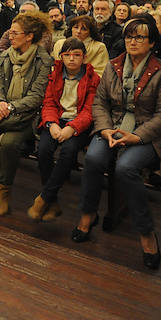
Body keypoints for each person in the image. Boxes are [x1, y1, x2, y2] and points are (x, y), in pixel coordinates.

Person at [72, 15, 161, 271]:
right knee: (93, 159)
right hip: (113, 127)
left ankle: (146, 232)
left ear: (152, 42)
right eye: (129, 36)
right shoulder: (114, 65)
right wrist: (106, 129)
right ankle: (89, 214)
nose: (133, 41)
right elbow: (100, 103)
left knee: (125, 168)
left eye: (140, 36)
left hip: (147, 133)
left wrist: (138, 136)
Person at [0, 11, 54, 217]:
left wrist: (10, 107)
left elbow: (36, 96)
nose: (10, 35)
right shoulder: (4, 56)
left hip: (25, 114)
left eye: (15, 32)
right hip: (1, 107)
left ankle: (4, 192)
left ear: (29, 36)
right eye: (10, 31)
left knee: (9, 143)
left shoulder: (43, 60)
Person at [29, 36, 100, 222]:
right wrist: (51, 124)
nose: (71, 59)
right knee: (43, 150)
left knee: (68, 151)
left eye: (76, 55)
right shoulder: (54, 75)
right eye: (67, 55)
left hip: (78, 125)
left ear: (84, 57)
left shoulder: (92, 78)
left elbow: (88, 111)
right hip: (56, 121)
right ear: (61, 57)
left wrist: (72, 128)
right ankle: (52, 202)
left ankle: (44, 198)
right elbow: (49, 103)